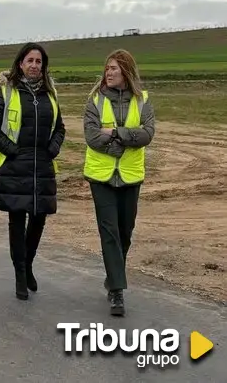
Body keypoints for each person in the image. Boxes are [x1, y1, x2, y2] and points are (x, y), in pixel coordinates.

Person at [0, 42, 65, 300]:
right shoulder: (7, 92)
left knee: (39, 218)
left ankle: (28, 264)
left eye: (38, 61)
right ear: (20, 64)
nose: (34, 65)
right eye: (29, 60)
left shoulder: (50, 95)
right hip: (14, 165)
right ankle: (20, 274)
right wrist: (12, 150)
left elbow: (60, 128)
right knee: (17, 221)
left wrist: (52, 148)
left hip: (42, 165)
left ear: (43, 66)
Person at [82, 49, 154, 317]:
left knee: (125, 232)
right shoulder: (95, 100)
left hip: (131, 176)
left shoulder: (143, 100)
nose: (108, 73)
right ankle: (117, 291)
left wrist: (114, 133)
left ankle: (112, 277)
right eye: (107, 68)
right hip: (101, 176)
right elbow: (90, 135)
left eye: (113, 68)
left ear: (126, 70)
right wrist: (117, 146)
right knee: (110, 232)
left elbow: (147, 134)